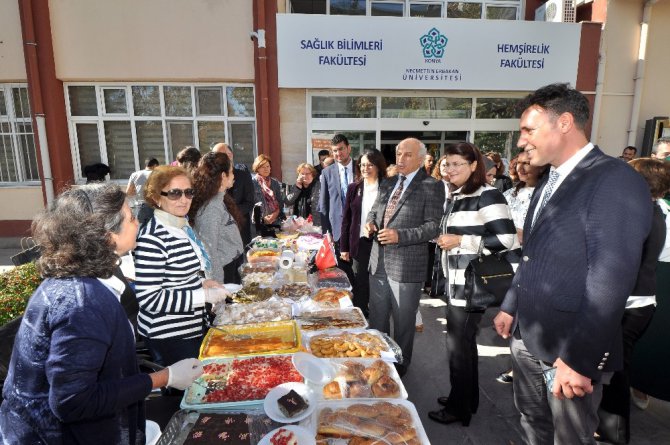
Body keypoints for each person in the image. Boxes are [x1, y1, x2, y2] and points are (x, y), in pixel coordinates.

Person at [493, 83, 652, 444]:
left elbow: (610, 280)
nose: (521, 142)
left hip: (568, 351)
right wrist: (510, 306)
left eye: (528, 130)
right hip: (528, 339)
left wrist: (580, 360)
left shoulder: (614, 180)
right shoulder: (551, 178)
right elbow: (534, 252)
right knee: (533, 425)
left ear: (564, 122)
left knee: (570, 438)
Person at [0, 184, 203, 444]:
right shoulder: (81, 304)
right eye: (131, 218)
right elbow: (73, 401)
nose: (138, 223)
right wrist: (166, 377)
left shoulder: (82, 280)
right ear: (107, 237)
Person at [428, 142, 517, 426]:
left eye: (457, 164)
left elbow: (506, 240)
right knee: (463, 347)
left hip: (470, 286)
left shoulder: (488, 195)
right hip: (454, 282)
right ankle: (466, 397)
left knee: (459, 349)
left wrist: (460, 241)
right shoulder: (456, 195)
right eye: (447, 163)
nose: (450, 169)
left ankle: (459, 408)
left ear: (474, 166)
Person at [597, 158, 670, 444]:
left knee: (616, 370)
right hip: (637, 303)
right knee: (616, 368)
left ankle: (615, 431)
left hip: (631, 304)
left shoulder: (641, 215)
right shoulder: (652, 211)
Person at [364, 138, 444, 376]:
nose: (400, 159)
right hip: (378, 262)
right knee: (377, 318)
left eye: (407, 155)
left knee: (403, 323)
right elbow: (375, 211)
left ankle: (399, 367)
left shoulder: (431, 186)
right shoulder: (388, 183)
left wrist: (400, 235)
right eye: (398, 154)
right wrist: (371, 222)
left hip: (406, 266)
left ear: (421, 158)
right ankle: (378, 361)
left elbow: (432, 227)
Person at [134, 166, 228, 367]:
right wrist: (202, 296)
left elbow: (182, 274)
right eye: (175, 193)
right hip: (169, 335)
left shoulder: (181, 226)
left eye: (188, 192)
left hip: (192, 326)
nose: (184, 199)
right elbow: (149, 298)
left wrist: (204, 282)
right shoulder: (153, 238)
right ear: (157, 198)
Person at [629, 159, 670, 411]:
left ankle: (640, 387)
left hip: (653, 281)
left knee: (651, 343)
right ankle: (638, 387)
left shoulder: (656, 213)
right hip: (651, 280)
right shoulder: (653, 210)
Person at [340, 149, 387, 317]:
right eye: (362, 165)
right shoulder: (354, 188)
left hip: (382, 242)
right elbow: (346, 219)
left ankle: (378, 313)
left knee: (378, 281)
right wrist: (344, 247)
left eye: (370, 164)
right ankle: (361, 315)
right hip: (359, 242)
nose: (365, 168)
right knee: (360, 282)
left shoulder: (388, 188)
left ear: (379, 166)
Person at [189, 152, 245, 284]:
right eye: (231, 172)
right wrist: (217, 286)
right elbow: (209, 252)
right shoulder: (211, 209)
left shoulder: (219, 199)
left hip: (232, 267)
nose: (234, 175)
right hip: (224, 273)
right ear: (223, 176)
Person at [212, 143, 256, 246]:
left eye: (219, 155)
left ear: (230, 155)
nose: (215, 159)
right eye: (214, 155)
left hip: (240, 228)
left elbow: (249, 202)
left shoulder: (242, 173)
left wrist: (230, 213)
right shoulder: (211, 176)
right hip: (220, 233)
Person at [251, 154, 284, 237]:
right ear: (257, 168)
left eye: (267, 166)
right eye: (262, 166)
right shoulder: (252, 183)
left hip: (275, 223)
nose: (266, 169)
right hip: (258, 225)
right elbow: (250, 205)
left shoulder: (275, 183)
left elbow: (280, 202)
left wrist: (275, 214)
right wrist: (262, 219)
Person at [126, 157, 159, 226]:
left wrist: (138, 191)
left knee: (139, 230)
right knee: (154, 229)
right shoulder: (157, 175)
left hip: (139, 206)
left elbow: (128, 192)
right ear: (155, 165)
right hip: (153, 206)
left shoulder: (134, 174)